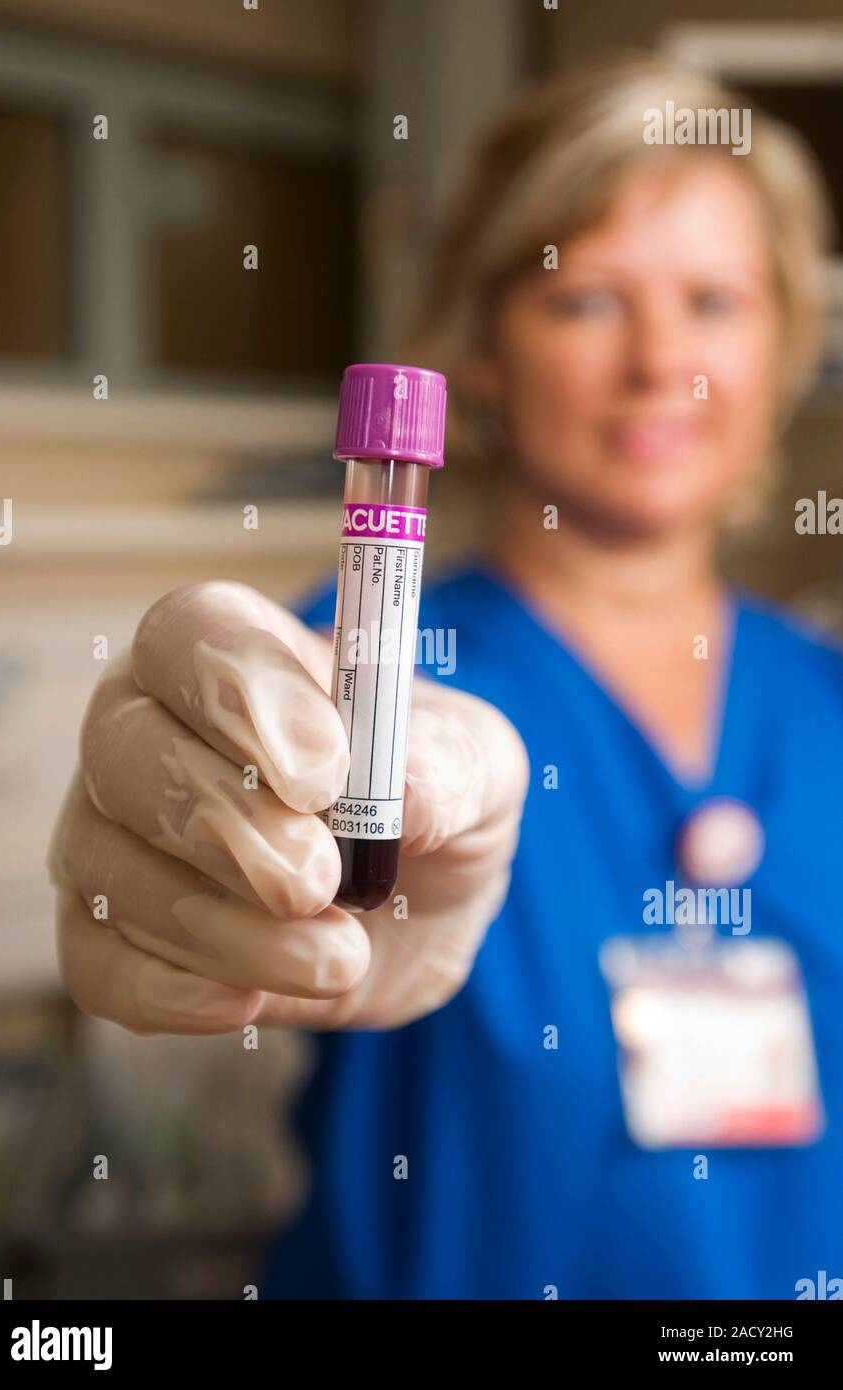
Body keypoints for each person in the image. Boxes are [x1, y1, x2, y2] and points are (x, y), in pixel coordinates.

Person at [47, 54, 843, 1299]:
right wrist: (153, 904)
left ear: (788, 341)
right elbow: (191, 1050)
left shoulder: (822, 695)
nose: (659, 363)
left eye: (716, 302)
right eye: (586, 301)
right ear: (481, 345)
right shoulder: (358, 679)